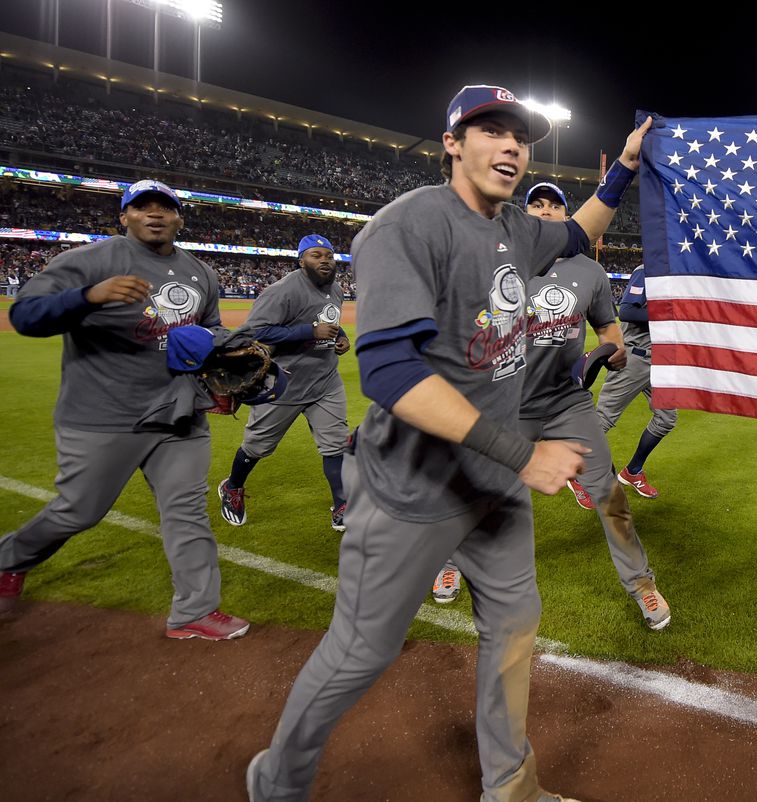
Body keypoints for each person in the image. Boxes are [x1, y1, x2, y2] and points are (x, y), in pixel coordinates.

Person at [246, 86, 650, 802]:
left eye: (519, 137)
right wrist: (524, 453)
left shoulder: (517, 229)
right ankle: (276, 779)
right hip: (414, 488)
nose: (510, 147)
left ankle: (511, 789)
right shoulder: (406, 227)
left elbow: (577, 233)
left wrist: (621, 167)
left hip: (491, 487)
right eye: (489, 131)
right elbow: (391, 374)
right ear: (452, 144)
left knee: (515, 628)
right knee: (361, 652)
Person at [0, 179, 250, 640]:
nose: (154, 214)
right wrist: (87, 297)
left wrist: (215, 350)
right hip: (104, 413)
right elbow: (25, 315)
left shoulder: (201, 273)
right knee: (79, 511)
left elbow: (210, 329)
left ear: (179, 217)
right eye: (142, 207)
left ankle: (194, 611)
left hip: (176, 414)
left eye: (164, 207)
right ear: (125, 217)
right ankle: (10, 558)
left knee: (187, 510)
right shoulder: (90, 261)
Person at [432, 183, 671, 630]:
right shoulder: (500, 258)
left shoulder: (590, 272)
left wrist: (614, 350)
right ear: (523, 214)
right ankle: (449, 560)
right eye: (535, 205)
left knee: (609, 494)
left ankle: (641, 583)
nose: (545, 211)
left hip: (566, 402)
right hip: (507, 403)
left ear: (568, 215)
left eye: (554, 205)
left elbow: (607, 328)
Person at [216, 234, 351, 532]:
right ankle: (233, 487)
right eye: (316, 255)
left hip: (325, 381)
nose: (325, 260)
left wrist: (342, 338)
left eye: (329, 255)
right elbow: (255, 331)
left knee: (335, 445)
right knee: (256, 446)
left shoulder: (336, 289)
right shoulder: (283, 290)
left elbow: (332, 322)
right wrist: (308, 332)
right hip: (283, 384)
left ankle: (342, 506)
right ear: (301, 260)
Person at [593, 263, 677, 498]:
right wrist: (670, 314)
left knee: (666, 418)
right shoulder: (647, 269)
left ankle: (633, 471)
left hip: (659, 362)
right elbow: (628, 310)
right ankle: (572, 469)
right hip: (635, 357)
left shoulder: (679, 275)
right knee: (603, 418)